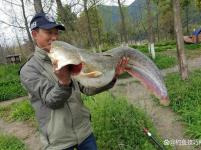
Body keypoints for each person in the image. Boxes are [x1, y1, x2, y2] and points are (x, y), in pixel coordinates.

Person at [20, 12, 128, 150]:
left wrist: (111, 78)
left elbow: (87, 88)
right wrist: (64, 82)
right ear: (35, 34)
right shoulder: (29, 70)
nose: (54, 37)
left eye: (56, 33)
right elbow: (51, 101)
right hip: (58, 142)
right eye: (48, 32)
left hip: (85, 133)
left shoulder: (67, 58)